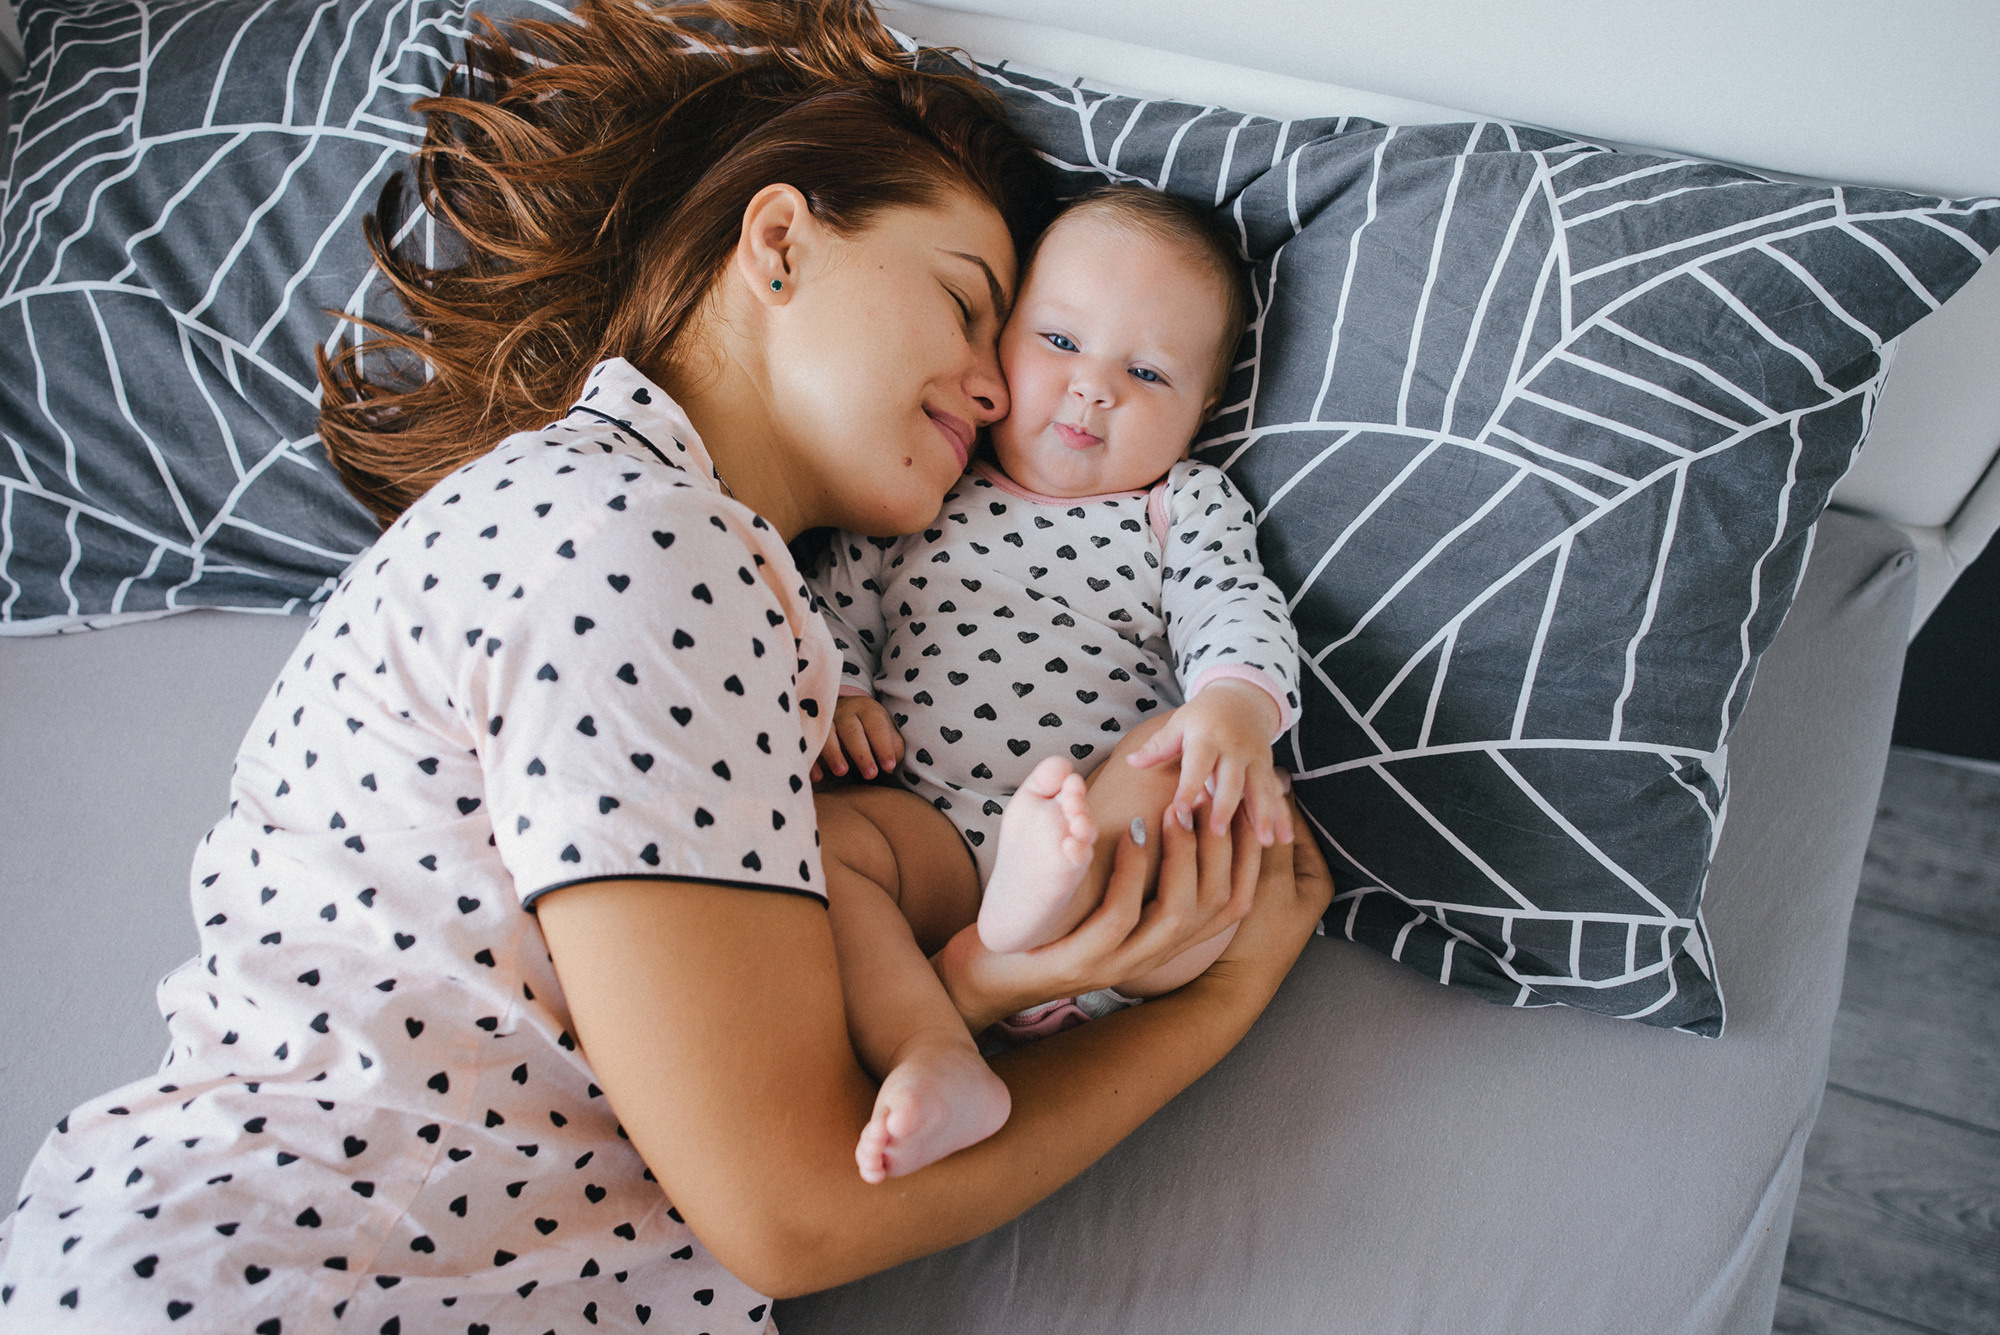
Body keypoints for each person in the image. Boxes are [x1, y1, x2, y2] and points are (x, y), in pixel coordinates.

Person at [0, 3, 1332, 1332]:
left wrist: (984, 984)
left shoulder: (727, 579)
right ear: (780, 240)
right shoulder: (627, 538)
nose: (999, 391)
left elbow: (740, 1062)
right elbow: (794, 1205)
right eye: (968, 304)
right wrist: (1218, 997)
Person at [808, 185, 1303, 1185]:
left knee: (1183, 777)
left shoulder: (1178, 507)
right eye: (1060, 342)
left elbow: (1232, 607)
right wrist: (841, 697)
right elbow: (827, 609)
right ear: (996, 350)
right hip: (932, 835)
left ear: (1200, 413)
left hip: (1101, 830)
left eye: (1147, 371)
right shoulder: (925, 479)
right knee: (823, 852)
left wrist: (1232, 708)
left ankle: (1035, 928)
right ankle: (940, 1046)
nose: (1091, 390)